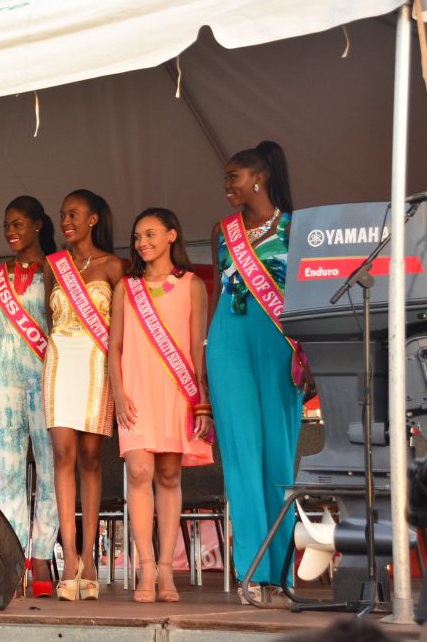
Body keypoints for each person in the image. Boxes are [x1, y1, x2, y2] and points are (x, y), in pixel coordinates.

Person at [206, 141, 309, 604]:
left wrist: (310, 356)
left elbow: (306, 295)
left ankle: (281, 573)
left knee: (277, 458)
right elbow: (217, 293)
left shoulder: (296, 227)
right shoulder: (222, 230)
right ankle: (252, 570)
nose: (227, 185)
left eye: (234, 176)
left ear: (259, 179)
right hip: (228, 338)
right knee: (240, 455)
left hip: (279, 341)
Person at [109, 207, 213, 604]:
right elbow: (115, 346)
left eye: (150, 234)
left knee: (169, 476)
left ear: (172, 235)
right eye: (138, 237)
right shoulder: (126, 287)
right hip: (135, 392)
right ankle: (146, 567)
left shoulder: (191, 285)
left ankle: (168, 569)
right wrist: (118, 392)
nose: (142, 243)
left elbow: (198, 347)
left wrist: (202, 400)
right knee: (138, 472)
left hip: (176, 391)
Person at [42, 189, 122, 601]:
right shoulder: (53, 265)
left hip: (96, 362)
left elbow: (121, 328)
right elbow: (48, 319)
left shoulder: (114, 266)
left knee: (90, 457)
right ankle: (70, 556)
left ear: (93, 219)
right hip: (60, 358)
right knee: (62, 453)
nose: (65, 221)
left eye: (73, 214)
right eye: (62, 214)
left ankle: (90, 557)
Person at [0, 195, 58, 597]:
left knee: (50, 464)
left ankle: (43, 553)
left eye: (18, 224)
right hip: (6, 375)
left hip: (48, 372)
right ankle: (13, 555)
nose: (10, 231)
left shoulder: (56, 269)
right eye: (7, 225)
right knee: (8, 468)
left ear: (38, 225)